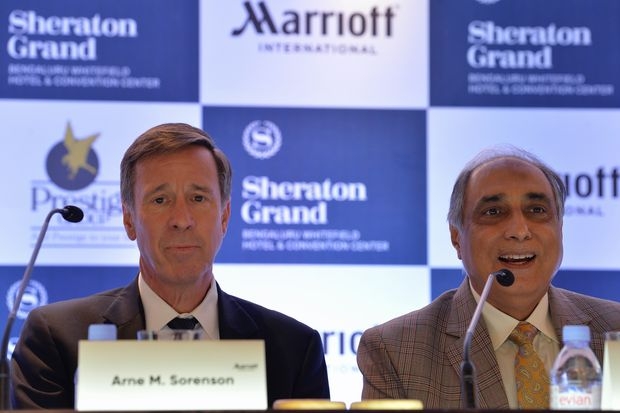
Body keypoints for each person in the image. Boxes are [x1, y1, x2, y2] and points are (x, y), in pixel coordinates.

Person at [11, 123, 330, 408]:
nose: (181, 220)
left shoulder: (293, 348)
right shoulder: (57, 339)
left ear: (224, 217)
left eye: (198, 198)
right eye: (160, 200)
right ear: (129, 220)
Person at [356, 145, 620, 409]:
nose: (519, 230)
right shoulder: (395, 350)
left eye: (537, 210)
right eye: (494, 212)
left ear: (560, 228)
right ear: (456, 237)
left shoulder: (614, 328)